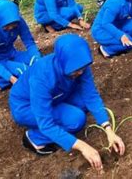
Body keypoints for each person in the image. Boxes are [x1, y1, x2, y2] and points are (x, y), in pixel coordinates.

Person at [9, 34, 125, 171]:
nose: (81, 72)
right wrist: (83, 146)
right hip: (25, 106)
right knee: (76, 119)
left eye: (83, 68)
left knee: (84, 103)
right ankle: (35, 139)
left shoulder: (79, 63)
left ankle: (62, 113)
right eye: (77, 70)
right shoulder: (42, 77)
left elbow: (91, 96)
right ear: (63, 62)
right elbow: (46, 123)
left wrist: (108, 130)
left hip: (57, 96)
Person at [0, 0, 41, 93]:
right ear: (0, 20)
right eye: (7, 26)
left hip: (11, 54)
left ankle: (6, 79)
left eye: (14, 25)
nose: (11, 28)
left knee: (37, 63)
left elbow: (29, 42)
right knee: (22, 70)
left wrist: (37, 58)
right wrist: (12, 78)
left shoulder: (19, 22)